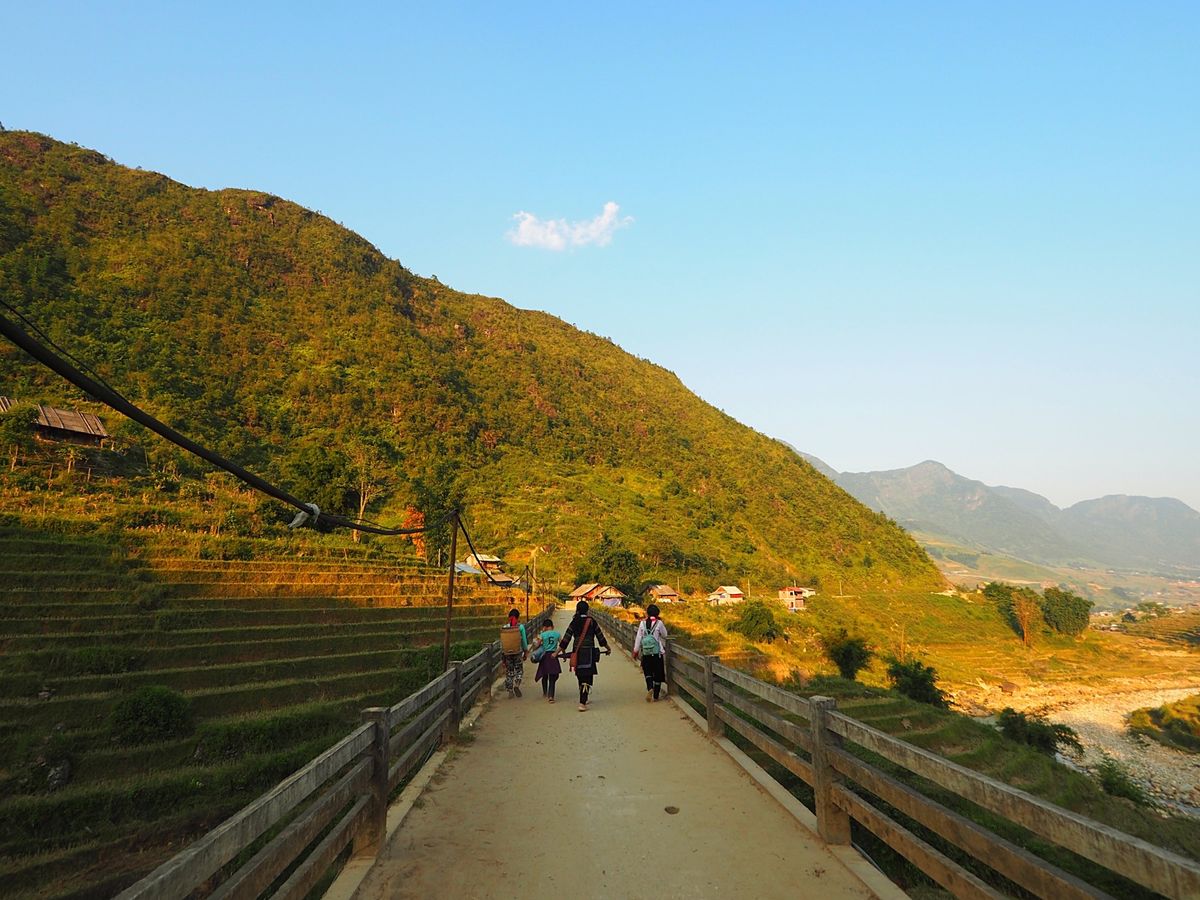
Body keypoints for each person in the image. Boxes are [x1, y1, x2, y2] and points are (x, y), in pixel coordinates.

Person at [557, 600, 610, 711]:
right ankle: (582, 701)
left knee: (581, 675)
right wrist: (607, 647)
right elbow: (600, 636)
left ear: (577, 610)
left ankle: (583, 698)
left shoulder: (574, 621)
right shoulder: (592, 621)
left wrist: (556, 652)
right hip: (589, 652)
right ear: (587, 610)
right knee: (588, 676)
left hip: (577, 652)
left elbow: (566, 638)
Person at [633, 603, 669, 701]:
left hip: (646, 653)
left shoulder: (642, 623)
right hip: (657, 653)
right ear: (657, 613)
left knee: (648, 672)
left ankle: (650, 688)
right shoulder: (659, 623)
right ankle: (656, 696)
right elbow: (665, 635)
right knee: (658, 674)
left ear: (647, 613)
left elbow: (638, 638)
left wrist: (635, 651)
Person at [530, 618, 562, 702]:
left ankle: (545, 692)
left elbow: (537, 645)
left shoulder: (543, 635)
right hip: (553, 656)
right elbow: (562, 644)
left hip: (545, 656)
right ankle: (551, 696)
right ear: (552, 626)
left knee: (544, 674)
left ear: (544, 627)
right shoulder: (557, 634)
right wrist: (562, 654)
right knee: (552, 676)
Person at [501, 608, 528, 698]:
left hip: (507, 654)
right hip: (517, 652)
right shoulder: (520, 627)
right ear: (518, 617)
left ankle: (510, 691)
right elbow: (524, 641)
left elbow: (503, 643)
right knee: (519, 670)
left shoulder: (505, 627)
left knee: (509, 672)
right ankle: (517, 684)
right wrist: (525, 651)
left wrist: (503, 658)